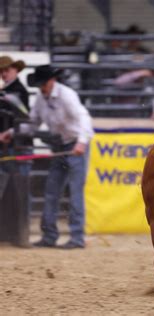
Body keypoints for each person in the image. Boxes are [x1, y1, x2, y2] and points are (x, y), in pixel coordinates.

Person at [0, 65, 94, 249]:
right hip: (61, 146)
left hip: (75, 144)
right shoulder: (42, 100)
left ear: (51, 81)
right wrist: (12, 132)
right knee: (51, 191)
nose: (41, 87)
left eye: (42, 84)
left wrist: (81, 142)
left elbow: (84, 118)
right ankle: (49, 235)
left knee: (74, 191)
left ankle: (76, 237)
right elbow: (33, 123)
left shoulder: (67, 95)